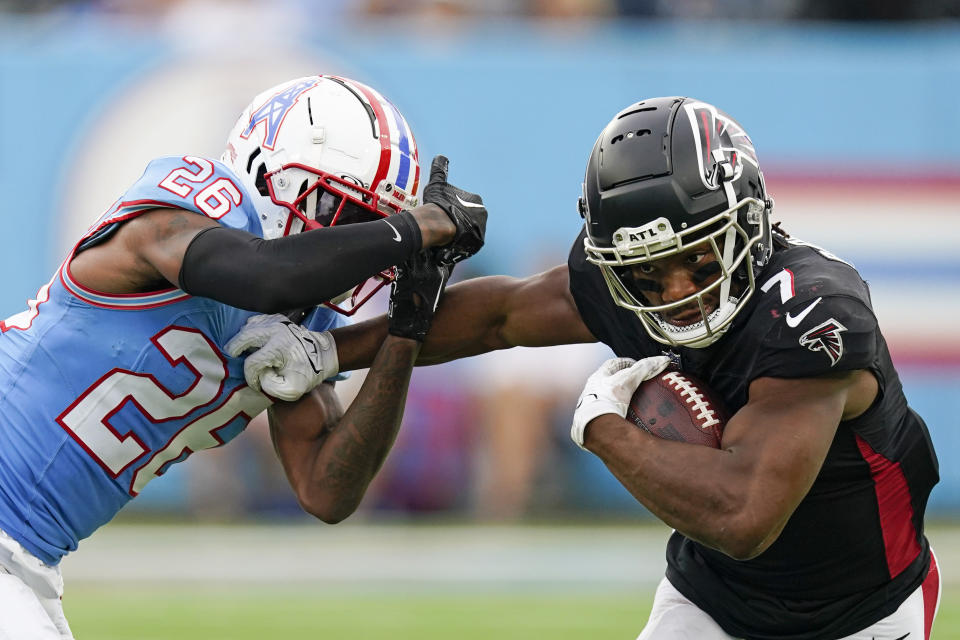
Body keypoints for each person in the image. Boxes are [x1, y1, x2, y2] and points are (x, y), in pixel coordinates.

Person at [236, 96, 941, 639]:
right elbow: (500, 314)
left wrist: (605, 428)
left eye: (695, 259)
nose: (675, 292)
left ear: (748, 225)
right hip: (714, 598)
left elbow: (742, 513)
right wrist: (331, 350)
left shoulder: (811, 315)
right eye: (646, 274)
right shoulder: (624, 278)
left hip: (864, 611)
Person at [0, 74, 487, 640]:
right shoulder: (188, 207)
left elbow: (325, 491)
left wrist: (407, 330)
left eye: (366, 221)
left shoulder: (304, 317)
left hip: (31, 558)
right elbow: (267, 274)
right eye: (340, 208)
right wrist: (417, 227)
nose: (352, 236)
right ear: (265, 170)